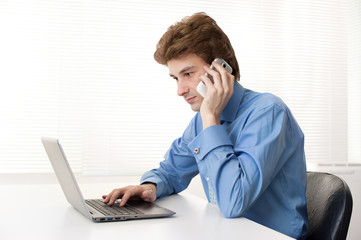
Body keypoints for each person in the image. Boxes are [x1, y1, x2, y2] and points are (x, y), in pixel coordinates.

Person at [103, 12, 308, 239]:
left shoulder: (268, 112)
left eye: (188, 74)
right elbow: (171, 171)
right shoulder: (203, 119)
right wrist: (149, 187)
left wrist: (210, 117)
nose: (180, 90)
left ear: (221, 69)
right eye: (175, 78)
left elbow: (233, 203)